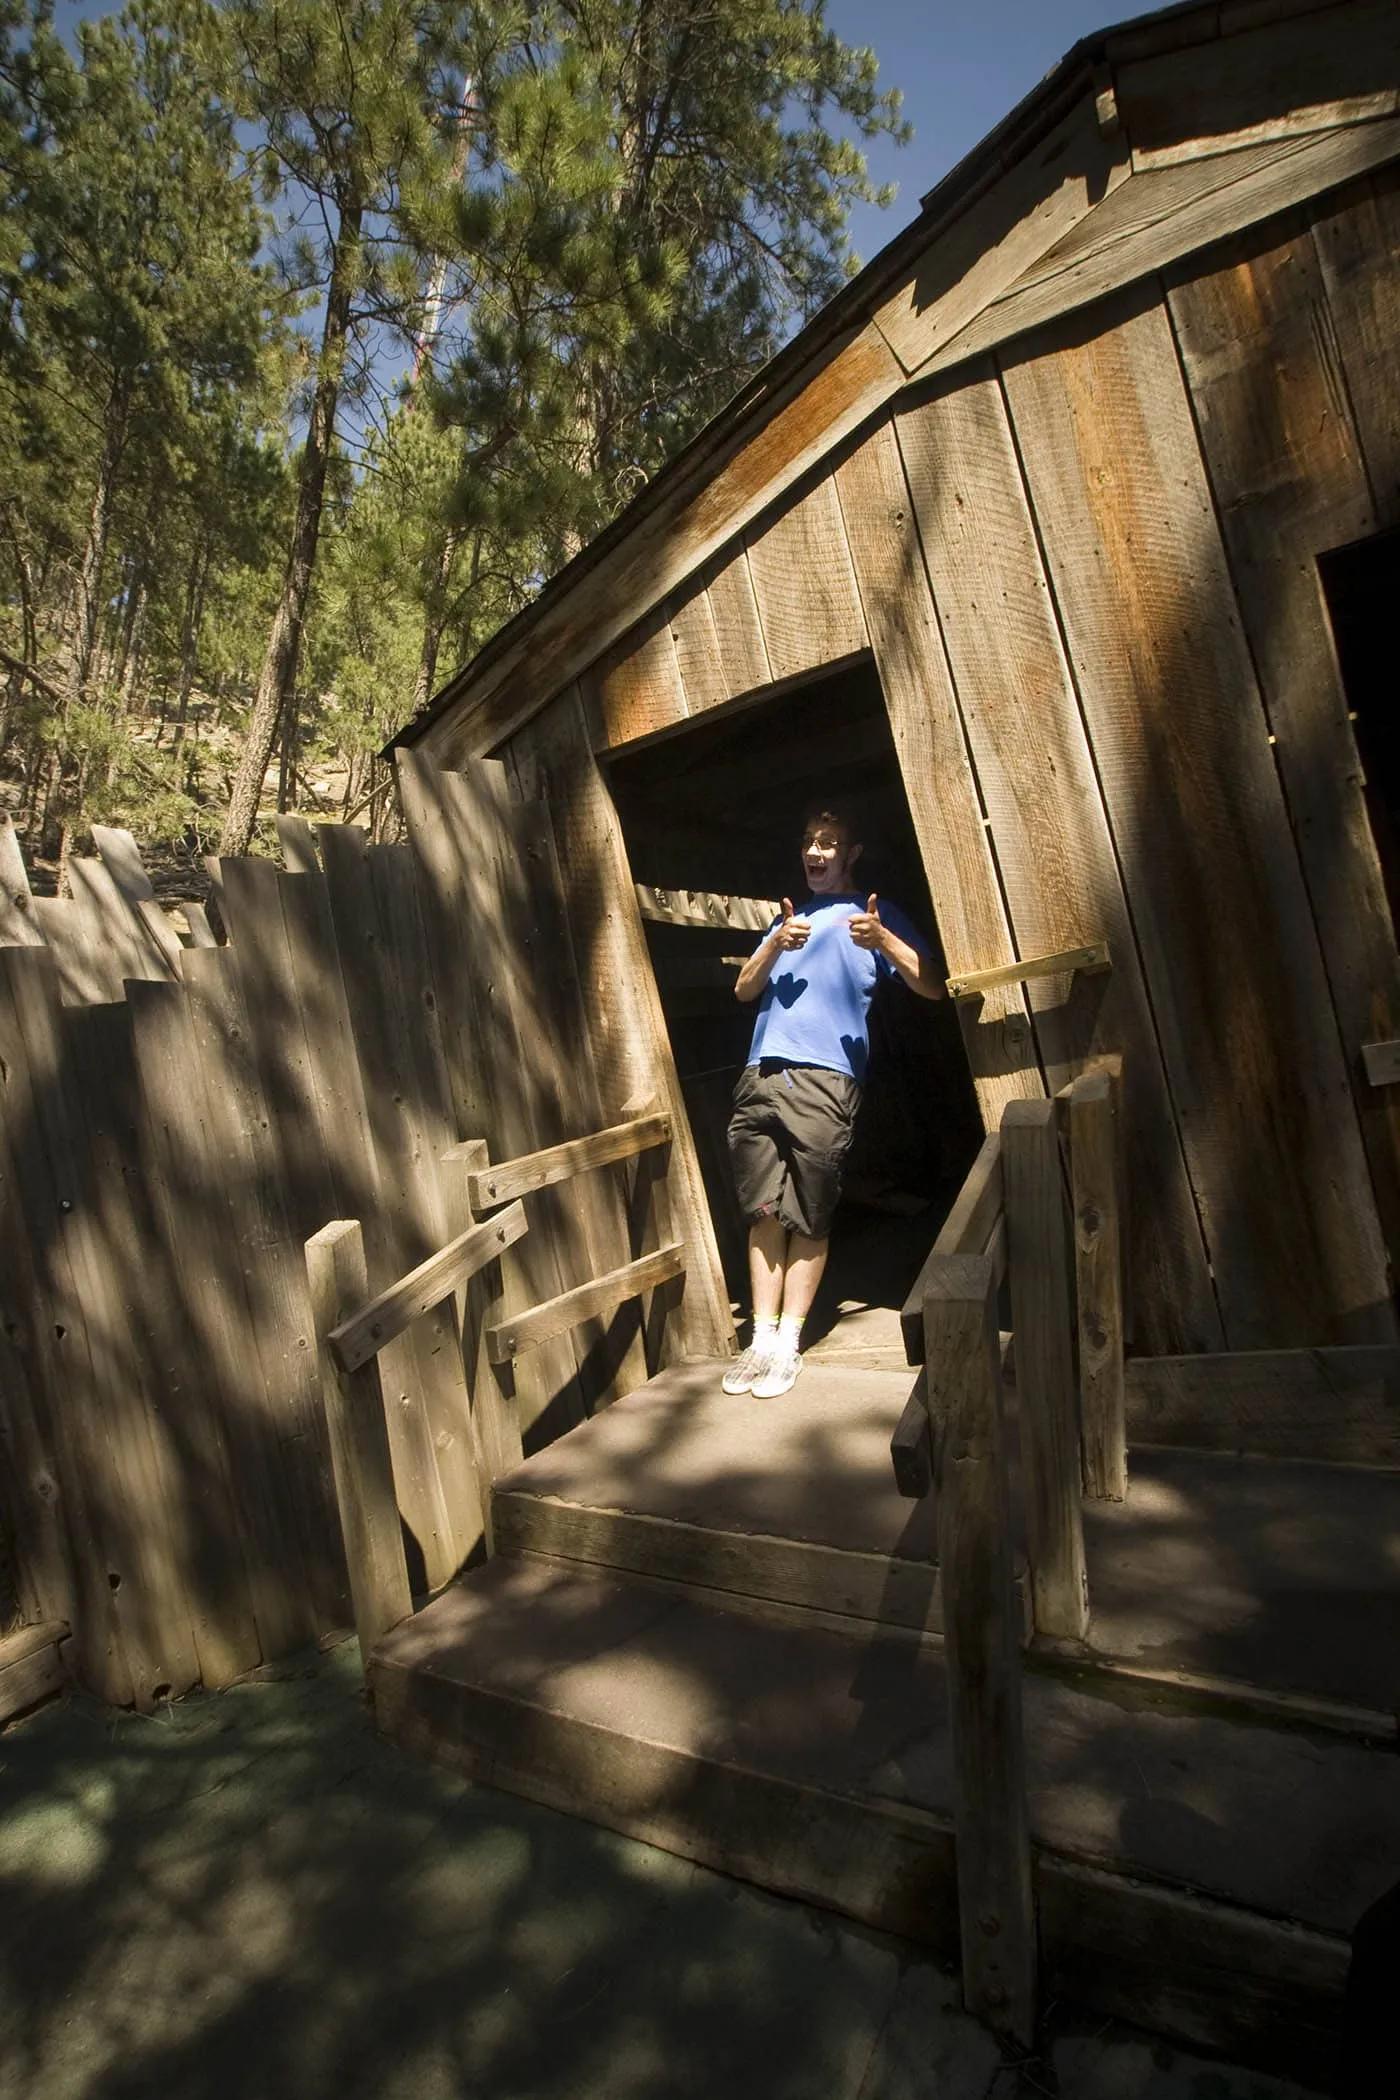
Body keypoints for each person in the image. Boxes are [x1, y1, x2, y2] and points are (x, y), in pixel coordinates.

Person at [722, 803, 944, 1399]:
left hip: (827, 1079)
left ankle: (788, 1343)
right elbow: (745, 989)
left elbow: (930, 983)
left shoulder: (874, 917)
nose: (815, 852)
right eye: (808, 842)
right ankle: (760, 1340)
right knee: (764, 1211)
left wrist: (883, 939)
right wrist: (775, 947)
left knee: (810, 1214)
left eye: (829, 843)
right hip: (761, 1074)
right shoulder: (786, 921)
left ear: (851, 854)